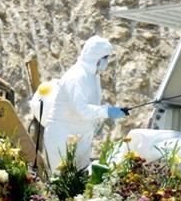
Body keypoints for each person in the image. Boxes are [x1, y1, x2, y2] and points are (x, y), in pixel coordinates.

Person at [41, 35, 126, 172]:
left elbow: (92, 104)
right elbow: (82, 109)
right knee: (63, 182)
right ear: (96, 57)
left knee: (79, 184)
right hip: (62, 136)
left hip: (81, 135)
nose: (107, 61)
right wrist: (107, 111)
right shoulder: (76, 76)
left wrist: (98, 119)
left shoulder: (93, 76)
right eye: (105, 57)